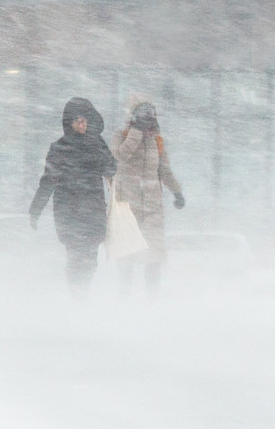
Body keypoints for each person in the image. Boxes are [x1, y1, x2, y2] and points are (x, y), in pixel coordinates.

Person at [29, 97, 117, 297]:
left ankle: (81, 293)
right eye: (78, 121)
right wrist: (36, 209)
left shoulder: (96, 145)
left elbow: (111, 168)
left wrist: (100, 146)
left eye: (85, 121)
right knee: (75, 256)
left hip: (93, 210)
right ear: (70, 123)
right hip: (69, 211)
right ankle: (77, 295)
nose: (82, 124)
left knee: (91, 257)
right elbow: (48, 181)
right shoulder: (59, 148)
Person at [111, 98, 184, 297]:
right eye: (143, 118)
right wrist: (135, 133)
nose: (148, 123)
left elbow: (165, 170)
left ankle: (152, 297)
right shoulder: (122, 135)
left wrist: (177, 191)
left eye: (150, 119)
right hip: (128, 205)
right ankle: (124, 295)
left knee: (154, 254)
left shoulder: (157, 142)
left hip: (152, 207)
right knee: (127, 254)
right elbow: (120, 155)